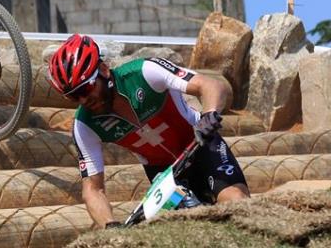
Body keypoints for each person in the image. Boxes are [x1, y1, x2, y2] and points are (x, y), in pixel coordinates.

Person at [47, 34, 250, 229]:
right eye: (74, 97)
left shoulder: (145, 72)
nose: (83, 100)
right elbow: (92, 189)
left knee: (235, 204)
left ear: (103, 70)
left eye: (85, 89)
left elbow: (211, 85)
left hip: (202, 145)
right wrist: (110, 225)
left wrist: (209, 115)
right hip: (165, 174)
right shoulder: (84, 126)